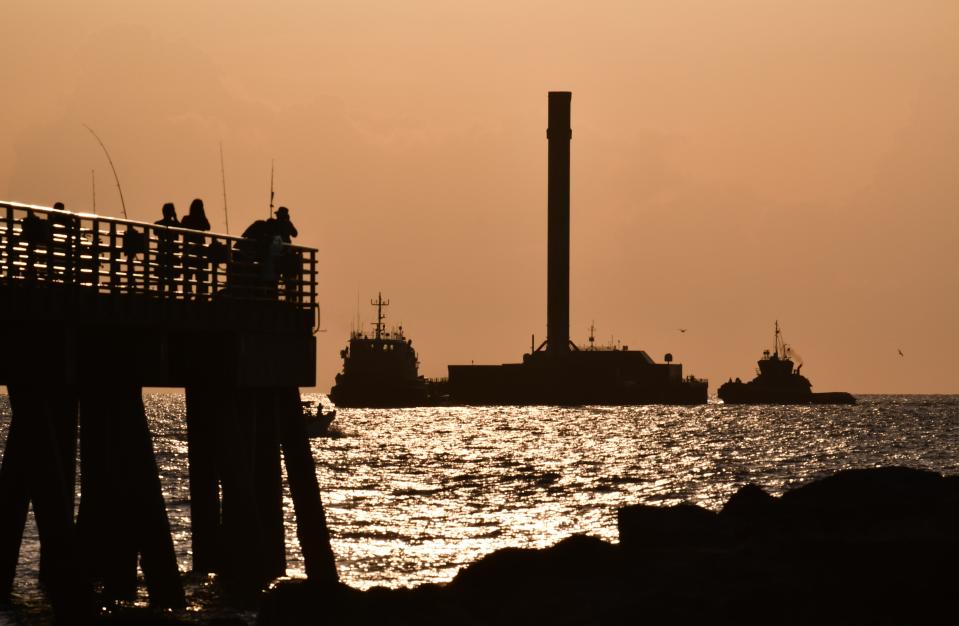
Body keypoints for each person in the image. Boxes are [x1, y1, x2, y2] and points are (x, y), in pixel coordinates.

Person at [180, 198, 211, 298]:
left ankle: (188, 296)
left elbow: (180, 229)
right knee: (201, 277)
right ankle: (200, 296)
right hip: (199, 252)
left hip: (189, 251)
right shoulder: (202, 220)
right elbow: (208, 226)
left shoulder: (186, 219)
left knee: (188, 277)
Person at [269, 206, 299, 300]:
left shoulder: (276, 223)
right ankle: (290, 298)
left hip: (278, 253)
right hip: (287, 253)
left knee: (275, 277)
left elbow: (271, 233)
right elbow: (295, 234)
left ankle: (274, 296)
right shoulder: (288, 223)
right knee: (288, 280)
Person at [154, 202, 180, 295]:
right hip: (172, 255)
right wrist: (175, 218)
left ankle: (160, 295)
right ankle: (172, 296)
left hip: (162, 255)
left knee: (161, 279)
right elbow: (181, 230)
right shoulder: (175, 224)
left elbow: (155, 231)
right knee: (172, 279)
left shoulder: (158, 223)